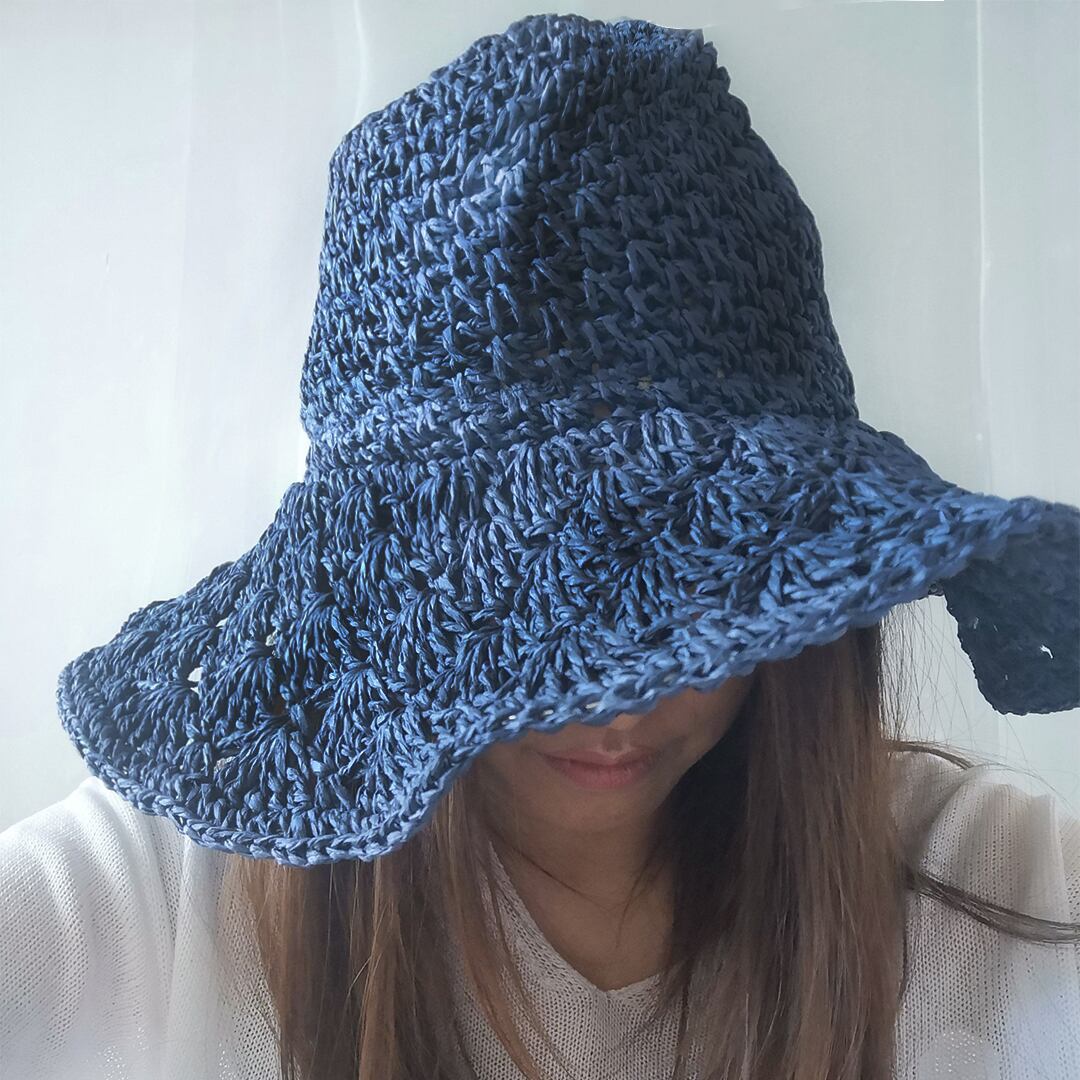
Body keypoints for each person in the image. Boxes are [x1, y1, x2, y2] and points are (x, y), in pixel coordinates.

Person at [2, 11, 1079, 1080]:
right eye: (514, 589)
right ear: (387, 579)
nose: (614, 703)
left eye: (684, 575)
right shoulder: (172, 896)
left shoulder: (1001, 889)